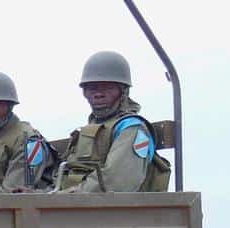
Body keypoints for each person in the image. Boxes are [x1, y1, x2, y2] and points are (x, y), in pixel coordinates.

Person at [57, 51, 171, 192]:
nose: (98, 94)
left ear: (123, 91)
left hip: (113, 211)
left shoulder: (132, 129)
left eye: (107, 87)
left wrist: (62, 196)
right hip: (78, 206)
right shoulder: (89, 131)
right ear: (84, 92)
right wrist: (43, 194)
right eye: (92, 88)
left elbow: (116, 184)